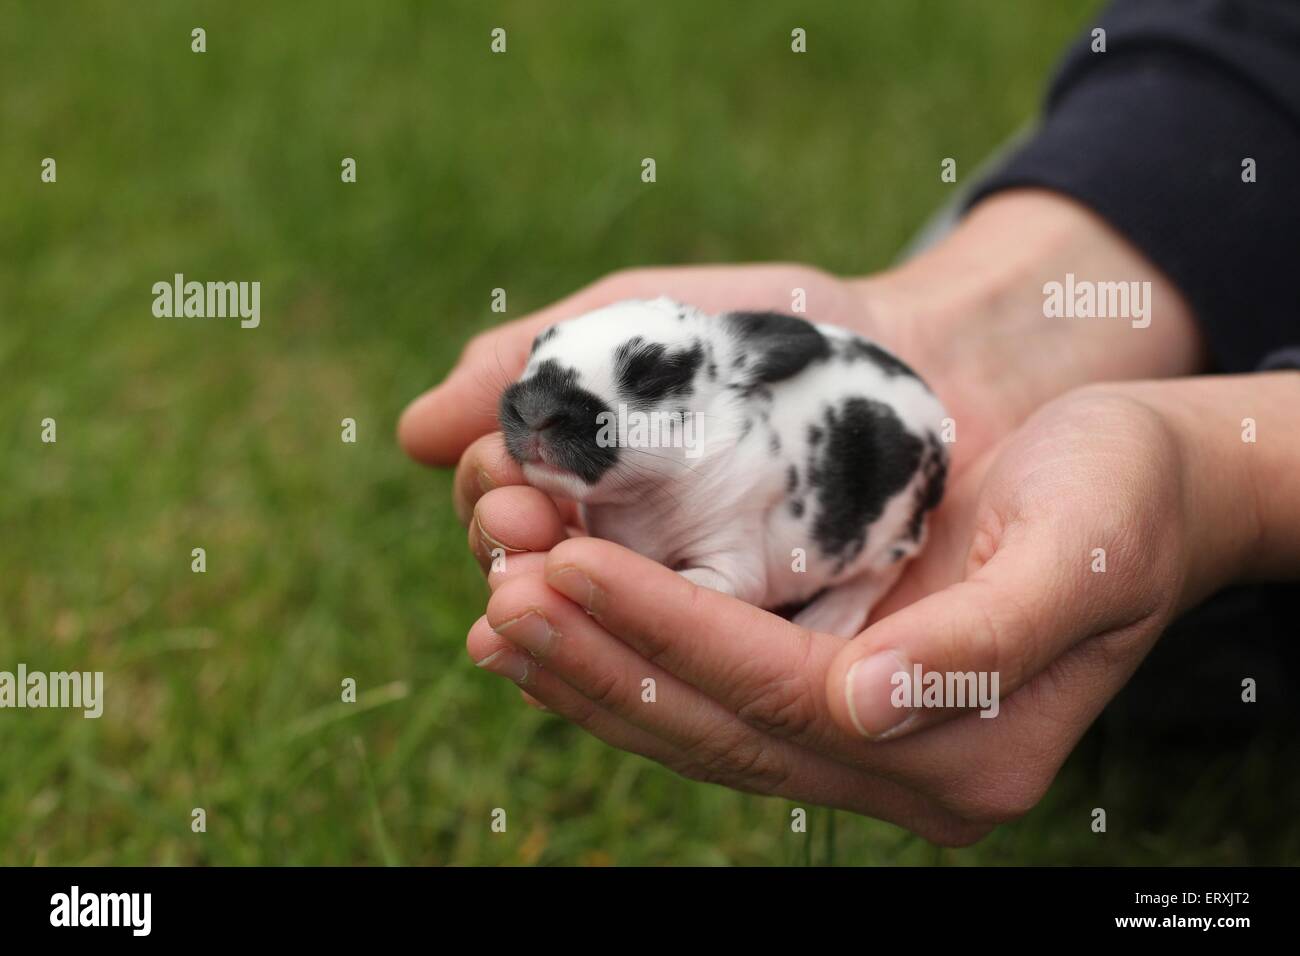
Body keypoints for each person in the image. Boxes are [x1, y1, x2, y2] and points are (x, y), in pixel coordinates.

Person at [397, 0, 1300, 844]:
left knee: (1176, 666)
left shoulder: (750, 464)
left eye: (635, 389)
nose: (541, 415)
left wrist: (1229, 475)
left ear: (724, 381)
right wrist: (1000, 307)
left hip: (877, 491)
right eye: (545, 372)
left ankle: (869, 580)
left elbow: (731, 566)